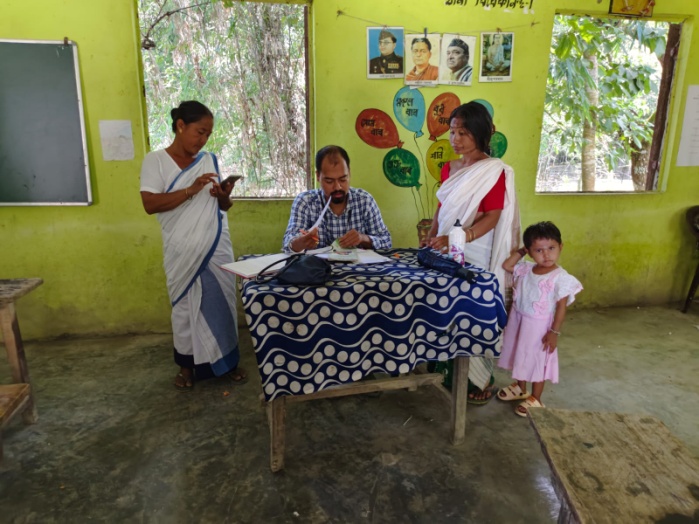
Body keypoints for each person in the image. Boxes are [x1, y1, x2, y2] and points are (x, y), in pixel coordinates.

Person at [139, 100, 247, 390]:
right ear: (180, 126)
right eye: (200, 132)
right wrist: (191, 189)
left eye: (208, 134)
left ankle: (227, 363)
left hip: (215, 247)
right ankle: (186, 368)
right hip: (181, 250)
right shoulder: (156, 161)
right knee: (185, 309)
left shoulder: (209, 159)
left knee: (221, 303)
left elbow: (222, 207)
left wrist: (224, 194)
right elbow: (150, 204)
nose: (203, 140)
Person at [424, 101, 520, 404]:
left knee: (470, 310)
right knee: (443, 306)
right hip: (445, 246)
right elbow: (442, 206)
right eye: (453, 131)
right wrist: (432, 233)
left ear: (479, 134)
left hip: (476, 251)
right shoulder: (449, 168)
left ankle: (478, 379)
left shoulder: (493, 171)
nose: (456, 139)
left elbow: (491, 216)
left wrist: (460, 237)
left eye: (463, 132)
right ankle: (443, 368)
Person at [497, 222, 583, 416]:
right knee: (520, 354)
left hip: (539, 327)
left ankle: (536, 398)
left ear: (561, 247)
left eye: (551, 248)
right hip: (519, 321)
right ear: (530, 252)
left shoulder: (561, 278)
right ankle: (521, 388)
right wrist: (521, 251)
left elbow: (561, 307)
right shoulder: (526, 269)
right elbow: (507, 265)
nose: (546, 255)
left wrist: (554, 332)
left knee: (537, 360)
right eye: (539, 250)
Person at [283, 145, 392, 253]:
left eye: (343, 179)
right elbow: (288, 244)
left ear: (349, 173)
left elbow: (386, 242)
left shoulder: (365, 201)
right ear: (318, 176)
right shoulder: (305, 202)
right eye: (329, 181)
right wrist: (301, 242)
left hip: (358, 269)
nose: (337, 187)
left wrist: (363, 238)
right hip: (318, 269)